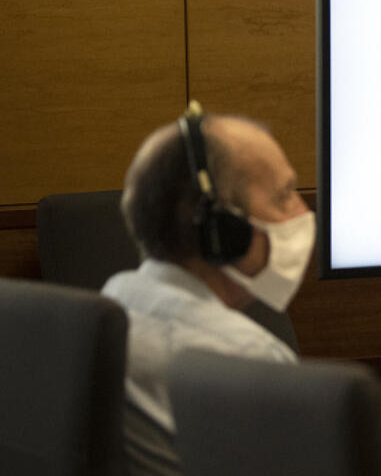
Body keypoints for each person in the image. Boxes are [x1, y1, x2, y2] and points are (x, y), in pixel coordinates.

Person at [102, 102, 315, 476]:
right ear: (221, 230)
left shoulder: (110, 304)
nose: (303, 213)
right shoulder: (247, 360)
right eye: (283, 196)